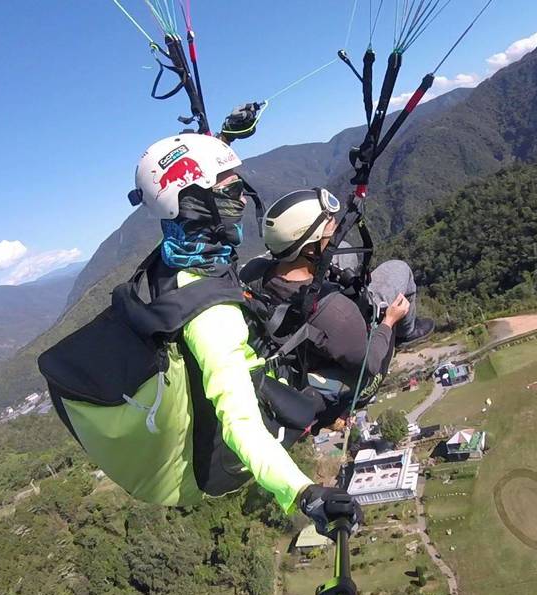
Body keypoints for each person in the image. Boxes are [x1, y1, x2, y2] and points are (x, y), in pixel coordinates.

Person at [131, 132, 362, 536]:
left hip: (249, 367)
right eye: (232, 190)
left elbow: (182, 184)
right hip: (256, 409)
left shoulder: (178, 259)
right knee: (352, 375)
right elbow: (239, 420)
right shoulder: (211, 314)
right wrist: (304, 493)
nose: (242, 200)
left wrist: (219, 138)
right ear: (194, 203)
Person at [251, 188, 435, 428]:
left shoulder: (255, 271)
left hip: (298, 334)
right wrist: (389, 321)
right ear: (309, 249)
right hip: (352, 359)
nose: (336, 229)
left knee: (345, 251)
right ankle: (405, 332)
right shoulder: (338, 314)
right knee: (399, 270)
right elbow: (370, 364)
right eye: (330, 230)